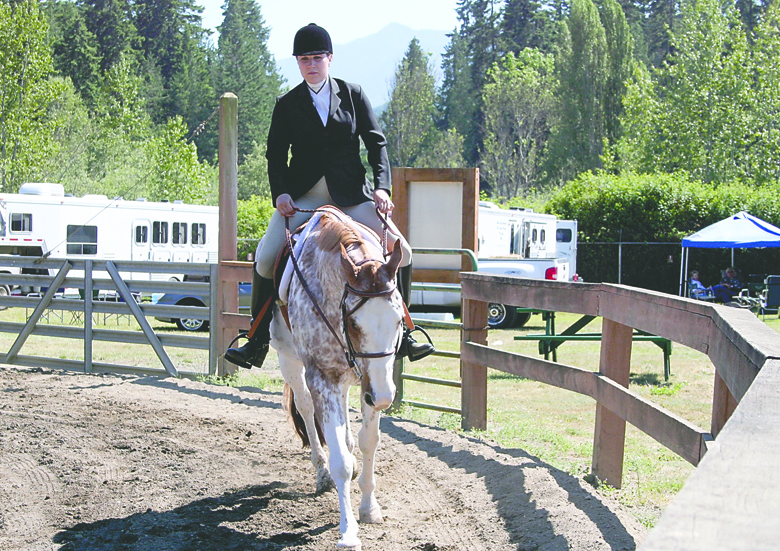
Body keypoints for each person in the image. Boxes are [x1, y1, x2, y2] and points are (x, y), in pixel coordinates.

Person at [225, 23, 434, 369]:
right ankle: (256, 340)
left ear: (330, 59)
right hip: (304, 200)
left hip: (351, 196)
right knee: (264, 258)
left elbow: (376, 144)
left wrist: (381, 187)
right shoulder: (287, 104)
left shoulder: (353, 94)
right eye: (304, 59)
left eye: (317, 58)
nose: (311, 64)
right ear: (298, 63)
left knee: (405, 253)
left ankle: (406, 333)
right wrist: (281, 195)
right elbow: (275, 157)